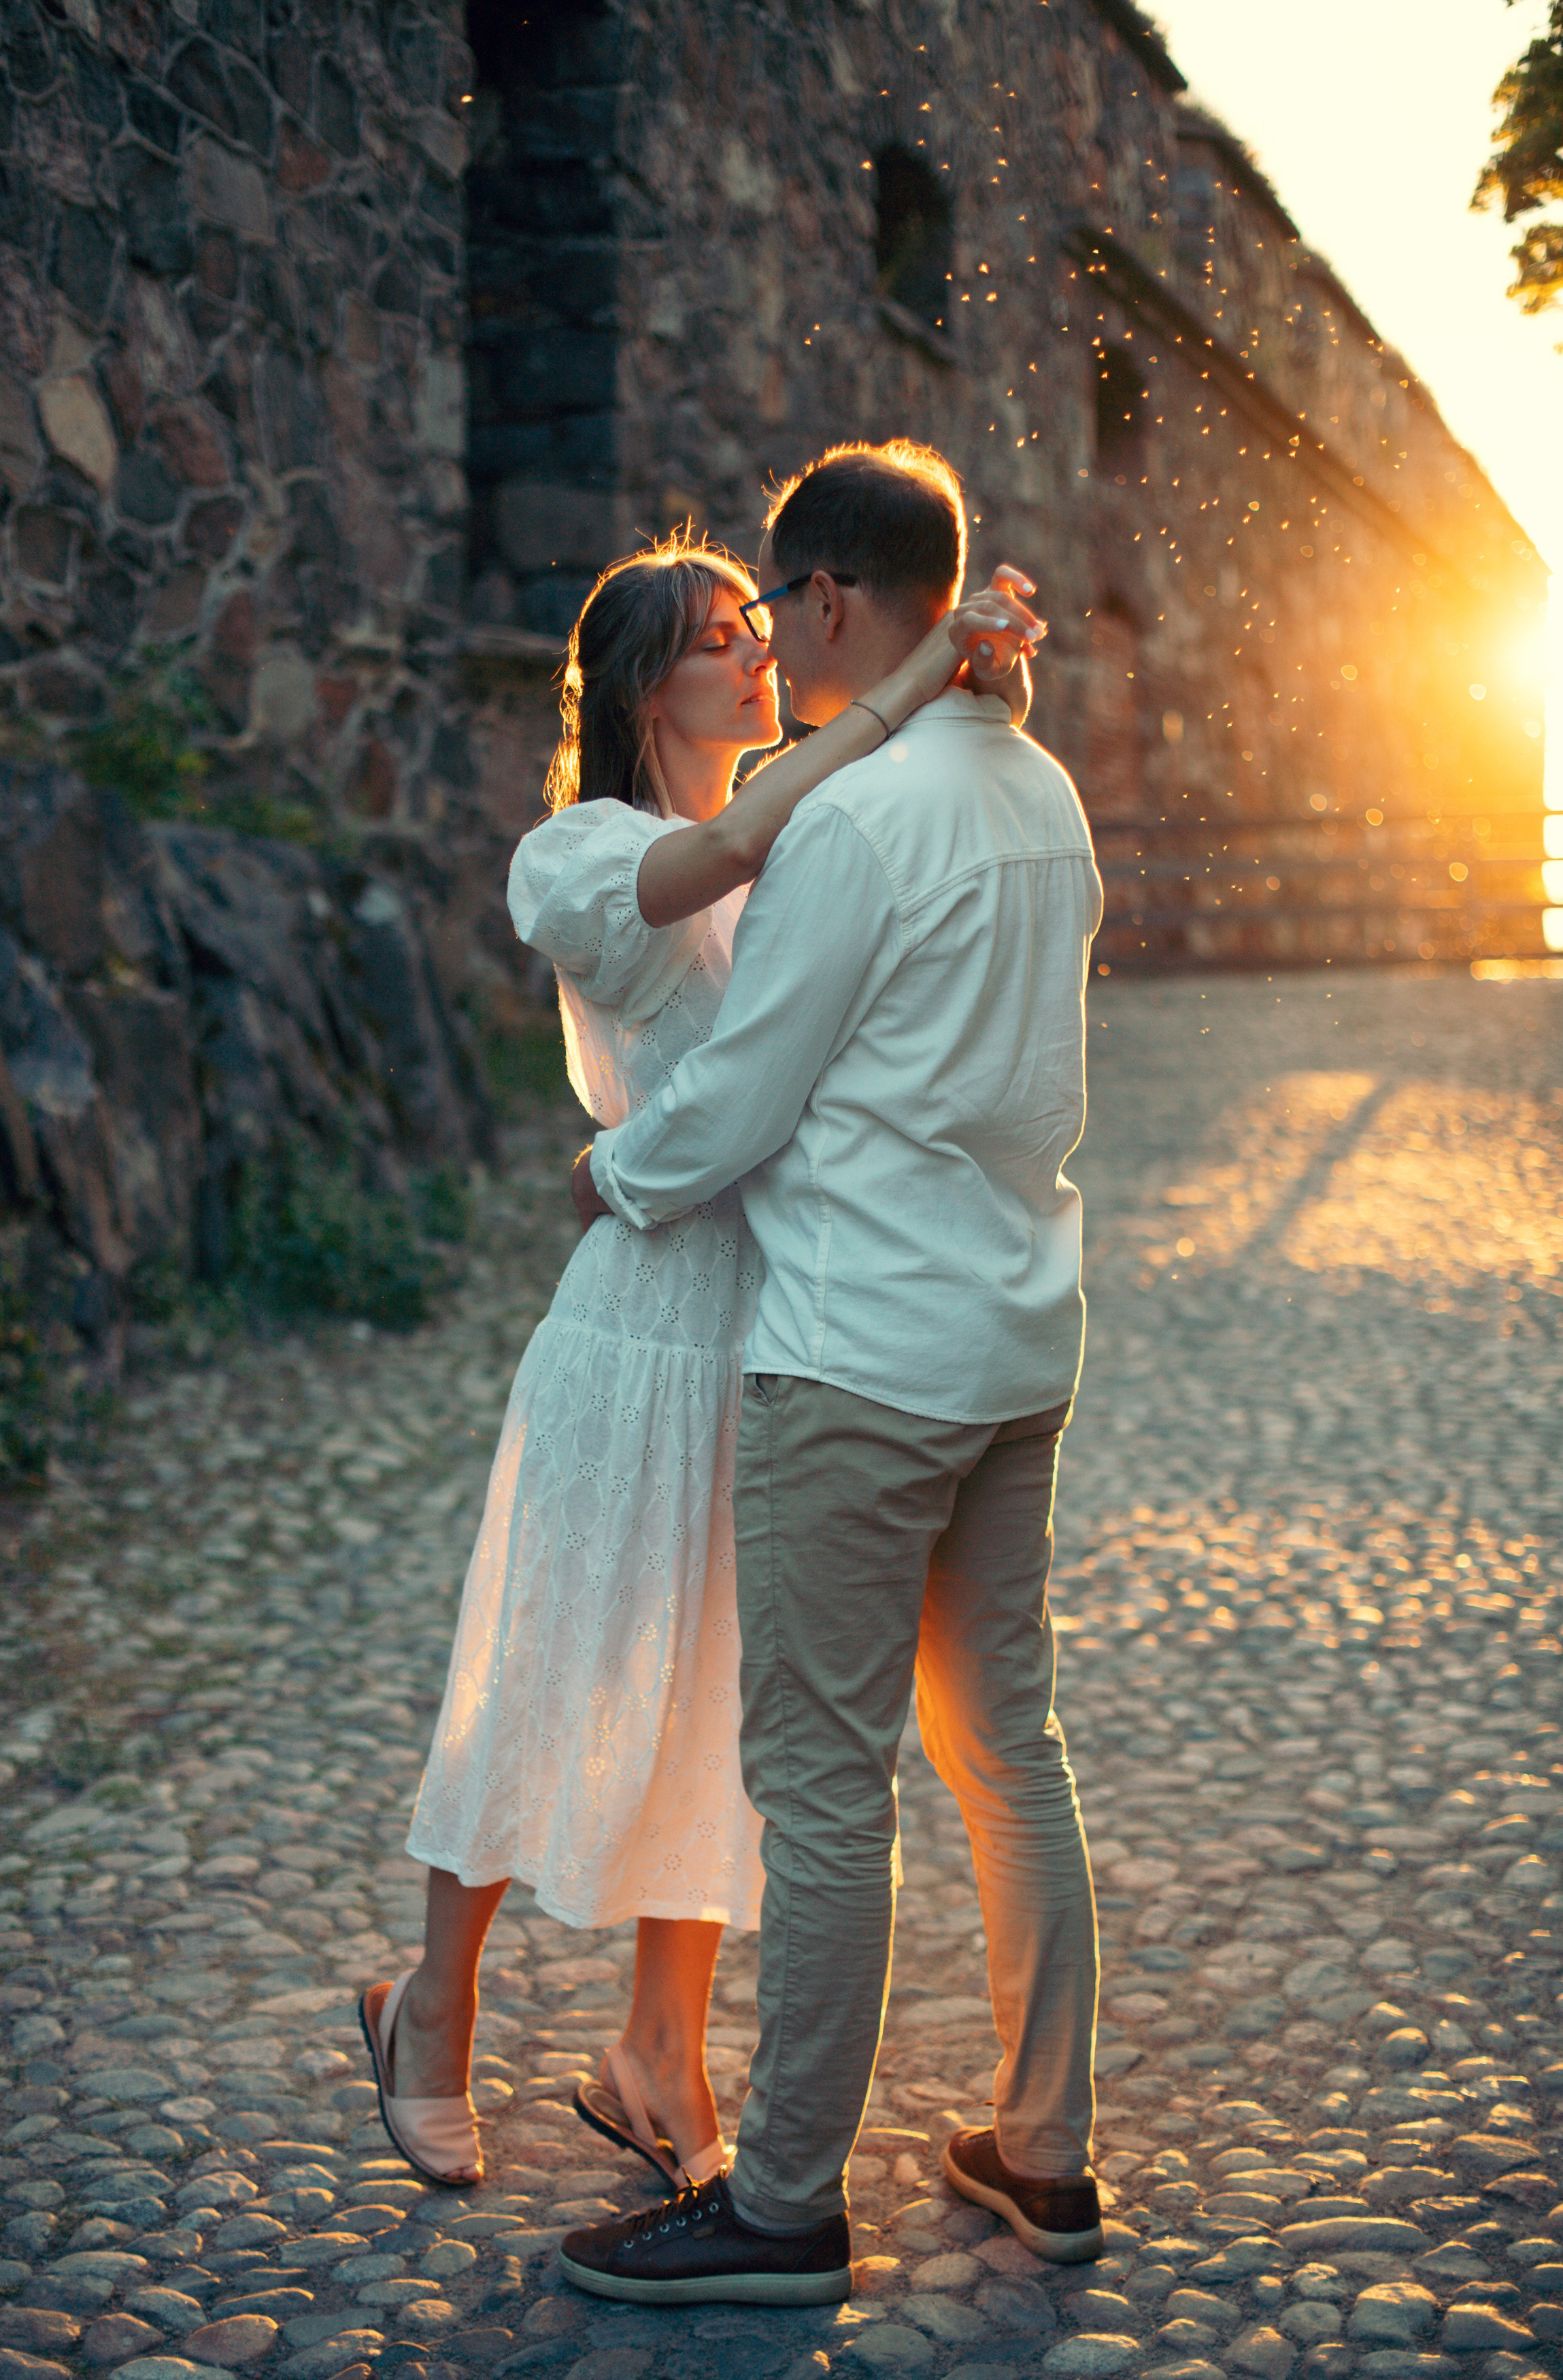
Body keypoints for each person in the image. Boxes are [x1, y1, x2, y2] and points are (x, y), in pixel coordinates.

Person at [356, 529, 1040, 2192]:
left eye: (759, 625)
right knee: (554, 1660)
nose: (756, 651)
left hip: (779, 1311)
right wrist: (913, 675)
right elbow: (725, 842)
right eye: (722, 634)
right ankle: (431, 2008)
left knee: (731, 1702)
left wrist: (984, 684)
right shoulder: (580, 851)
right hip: (636, 1314)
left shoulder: (811, 839)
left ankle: (660, 2049)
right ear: (646, 681)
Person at [558, 441, 1106, 2308]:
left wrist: (612, 1171)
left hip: (860, 1365)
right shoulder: (1043, 792)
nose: (777, 642)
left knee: (823, 1784)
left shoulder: (851, 823)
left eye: (783, 607)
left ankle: (782, 2199)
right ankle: (1044, 2149)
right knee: (1008, 1748)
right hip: (1017, 1341)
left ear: (837, 601)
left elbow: (744, 1083)